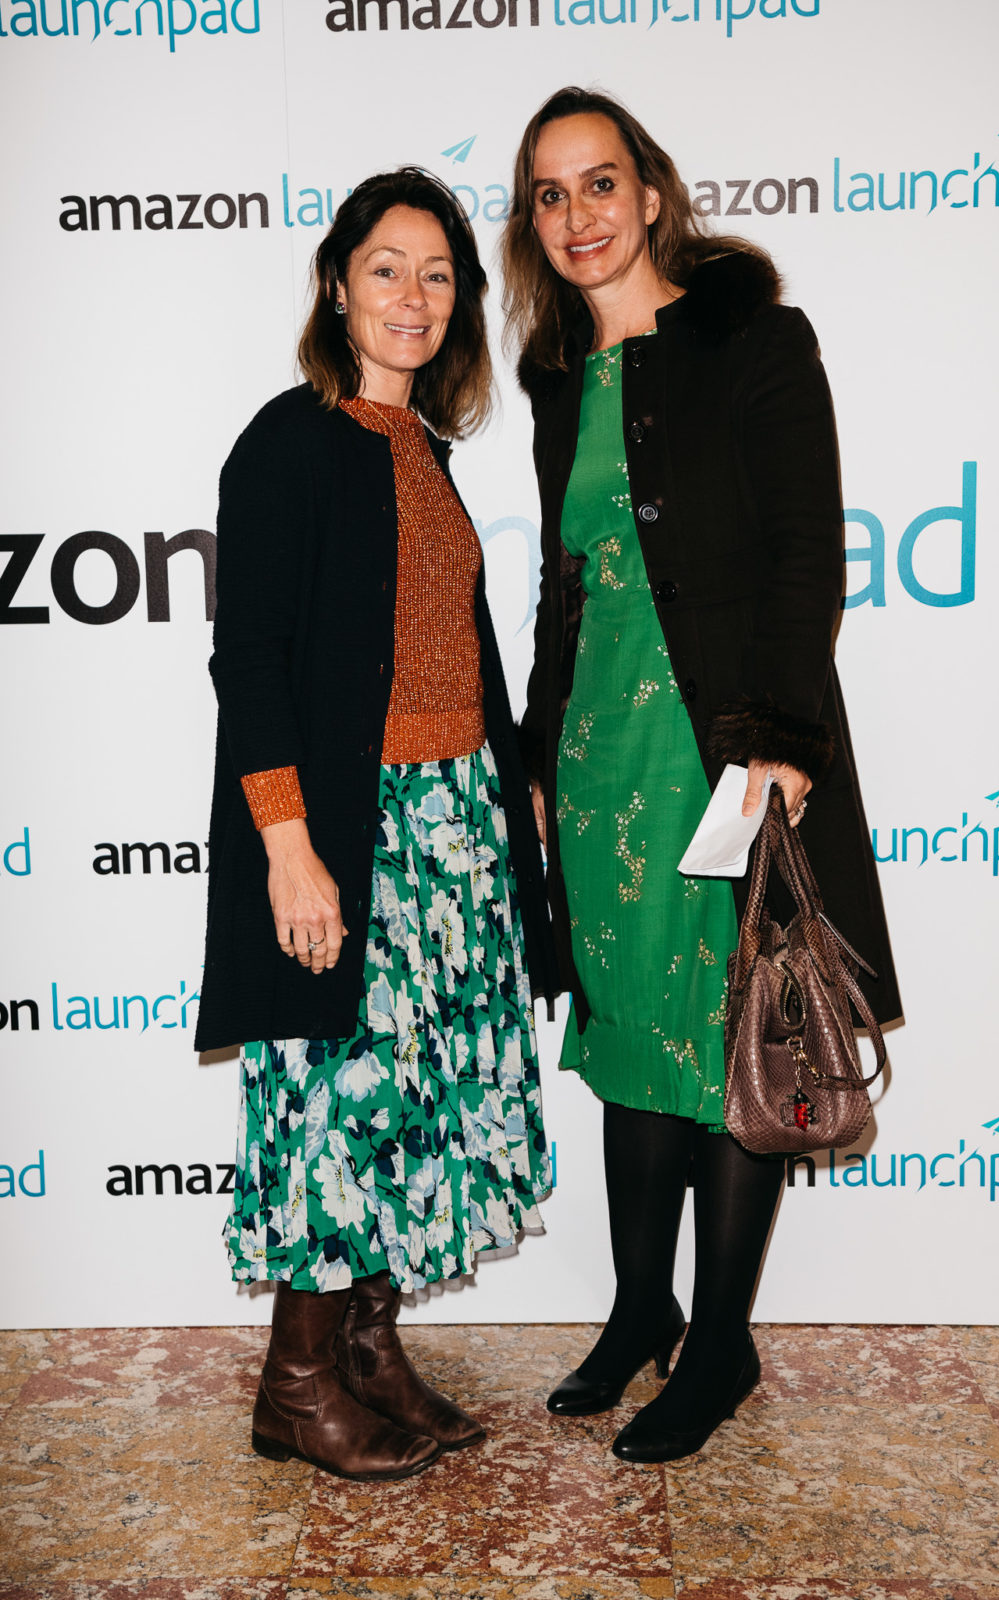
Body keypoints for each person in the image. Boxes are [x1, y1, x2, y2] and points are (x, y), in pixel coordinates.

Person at [502, 87, 902, 1465]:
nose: (578, 215)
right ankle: (641, 1311)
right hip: (599, 760)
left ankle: (720, 1339)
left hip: (720, 750)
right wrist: (536, 750)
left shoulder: (754, 339)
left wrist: (783, 741)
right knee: (629, 1043)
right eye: (549, 194)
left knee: (725, 1030)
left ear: (652, 192)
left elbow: (806, 553)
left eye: (599, 182)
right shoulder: (559, 377)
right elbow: (563, 587)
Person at [194, 168, 556, 1482]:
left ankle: (368, 1351)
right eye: (387, 268)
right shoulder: (287, 443)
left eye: (438, 274)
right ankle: (295, 1386)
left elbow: (453, 647)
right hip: (351, 830)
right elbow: (252, 664)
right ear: (337, 287)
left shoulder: (425, 450)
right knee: (334, 1102)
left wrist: (509, 785)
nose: (414, 296)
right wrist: (289, 849)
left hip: (451, 823)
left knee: (419, 1102)